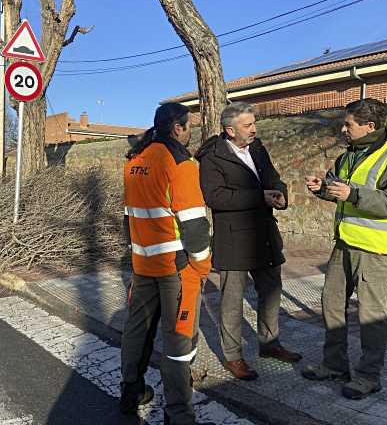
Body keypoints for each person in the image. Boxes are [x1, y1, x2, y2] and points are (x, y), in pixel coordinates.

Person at [301, 98, 387, 400]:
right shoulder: (350, 155)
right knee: (332, 304)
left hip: (375, 250)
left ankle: (368, 376)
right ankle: (335, 364)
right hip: (344, 243)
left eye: (348, 124)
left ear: (370, 126)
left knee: (371, 315)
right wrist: (322, 189)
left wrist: (354, 194)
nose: (343, 129)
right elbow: (342, 193)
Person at [120, 102, 214, 425]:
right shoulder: (182, 163)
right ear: (178, 128)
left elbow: (128, 218)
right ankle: (178, 415)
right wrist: (202, 267)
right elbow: (195, 225)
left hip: (143, 264)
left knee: (137, 330)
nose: (190, 132)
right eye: (189, 126)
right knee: (178, 342)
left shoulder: (134, 161)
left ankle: (131, 392)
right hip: (175, 268)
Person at [195, 102, 302, 382]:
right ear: (230, 130)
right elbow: (215, 197)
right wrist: (259, 197)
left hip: (264, 235)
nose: (254, 129)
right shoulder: (212, 157)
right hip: (233, 239)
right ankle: (233, 356)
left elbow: (274, 179)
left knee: (271, 290)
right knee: (231, 300)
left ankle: (270, 343)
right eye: (248, 125)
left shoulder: (257, 148)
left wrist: (279, 194)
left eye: (254, 123)